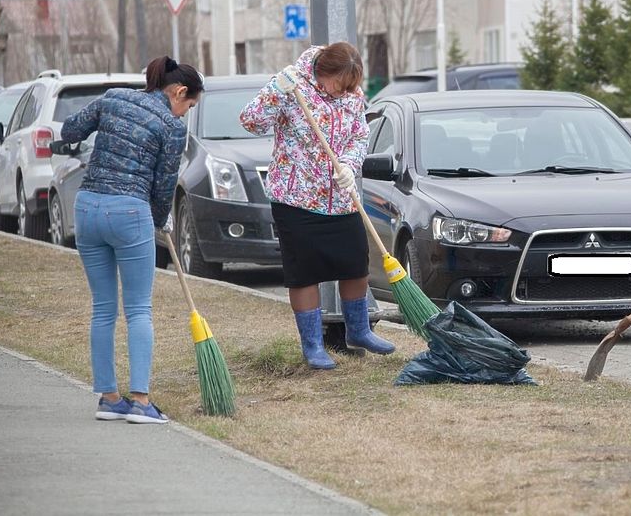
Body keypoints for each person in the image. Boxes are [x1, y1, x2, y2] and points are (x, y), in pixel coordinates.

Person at [61, 56, 203, 424]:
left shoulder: (113, 98)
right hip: (129, 211)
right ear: (179, 92)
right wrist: (161, 221)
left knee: (103, 308)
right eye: (188, 106)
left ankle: (109, 398)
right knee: (139, 309)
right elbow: (162, 184)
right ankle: (140, 401)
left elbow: (70, 131)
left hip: (87, 208)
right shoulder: (172, 127)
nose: (185, 114)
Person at [239, 42, 394, 369]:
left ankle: (359, 329)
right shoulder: (292, 85)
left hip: (340, 197)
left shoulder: (352, 95)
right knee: (304, 273)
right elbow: (251, 121)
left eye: (349, 87)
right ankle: (312, 345)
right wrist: (276, 91)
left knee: (355, 263)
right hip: (296, 199)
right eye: (338, 85)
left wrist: (351, 167)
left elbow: (359, 137)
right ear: (324, 72)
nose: (343, 93)